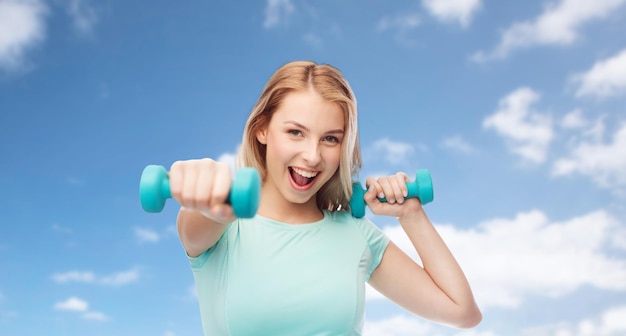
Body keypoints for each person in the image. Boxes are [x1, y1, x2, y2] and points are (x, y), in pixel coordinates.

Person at [168, 61, 482, 335]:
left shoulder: (355, 233)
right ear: (262, 130)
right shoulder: (223, 224)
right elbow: (204, 218)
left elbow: (462, 312)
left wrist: (411, 216)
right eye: (295, 132)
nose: (312, 156)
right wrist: (206, 186)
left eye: (330, 138)